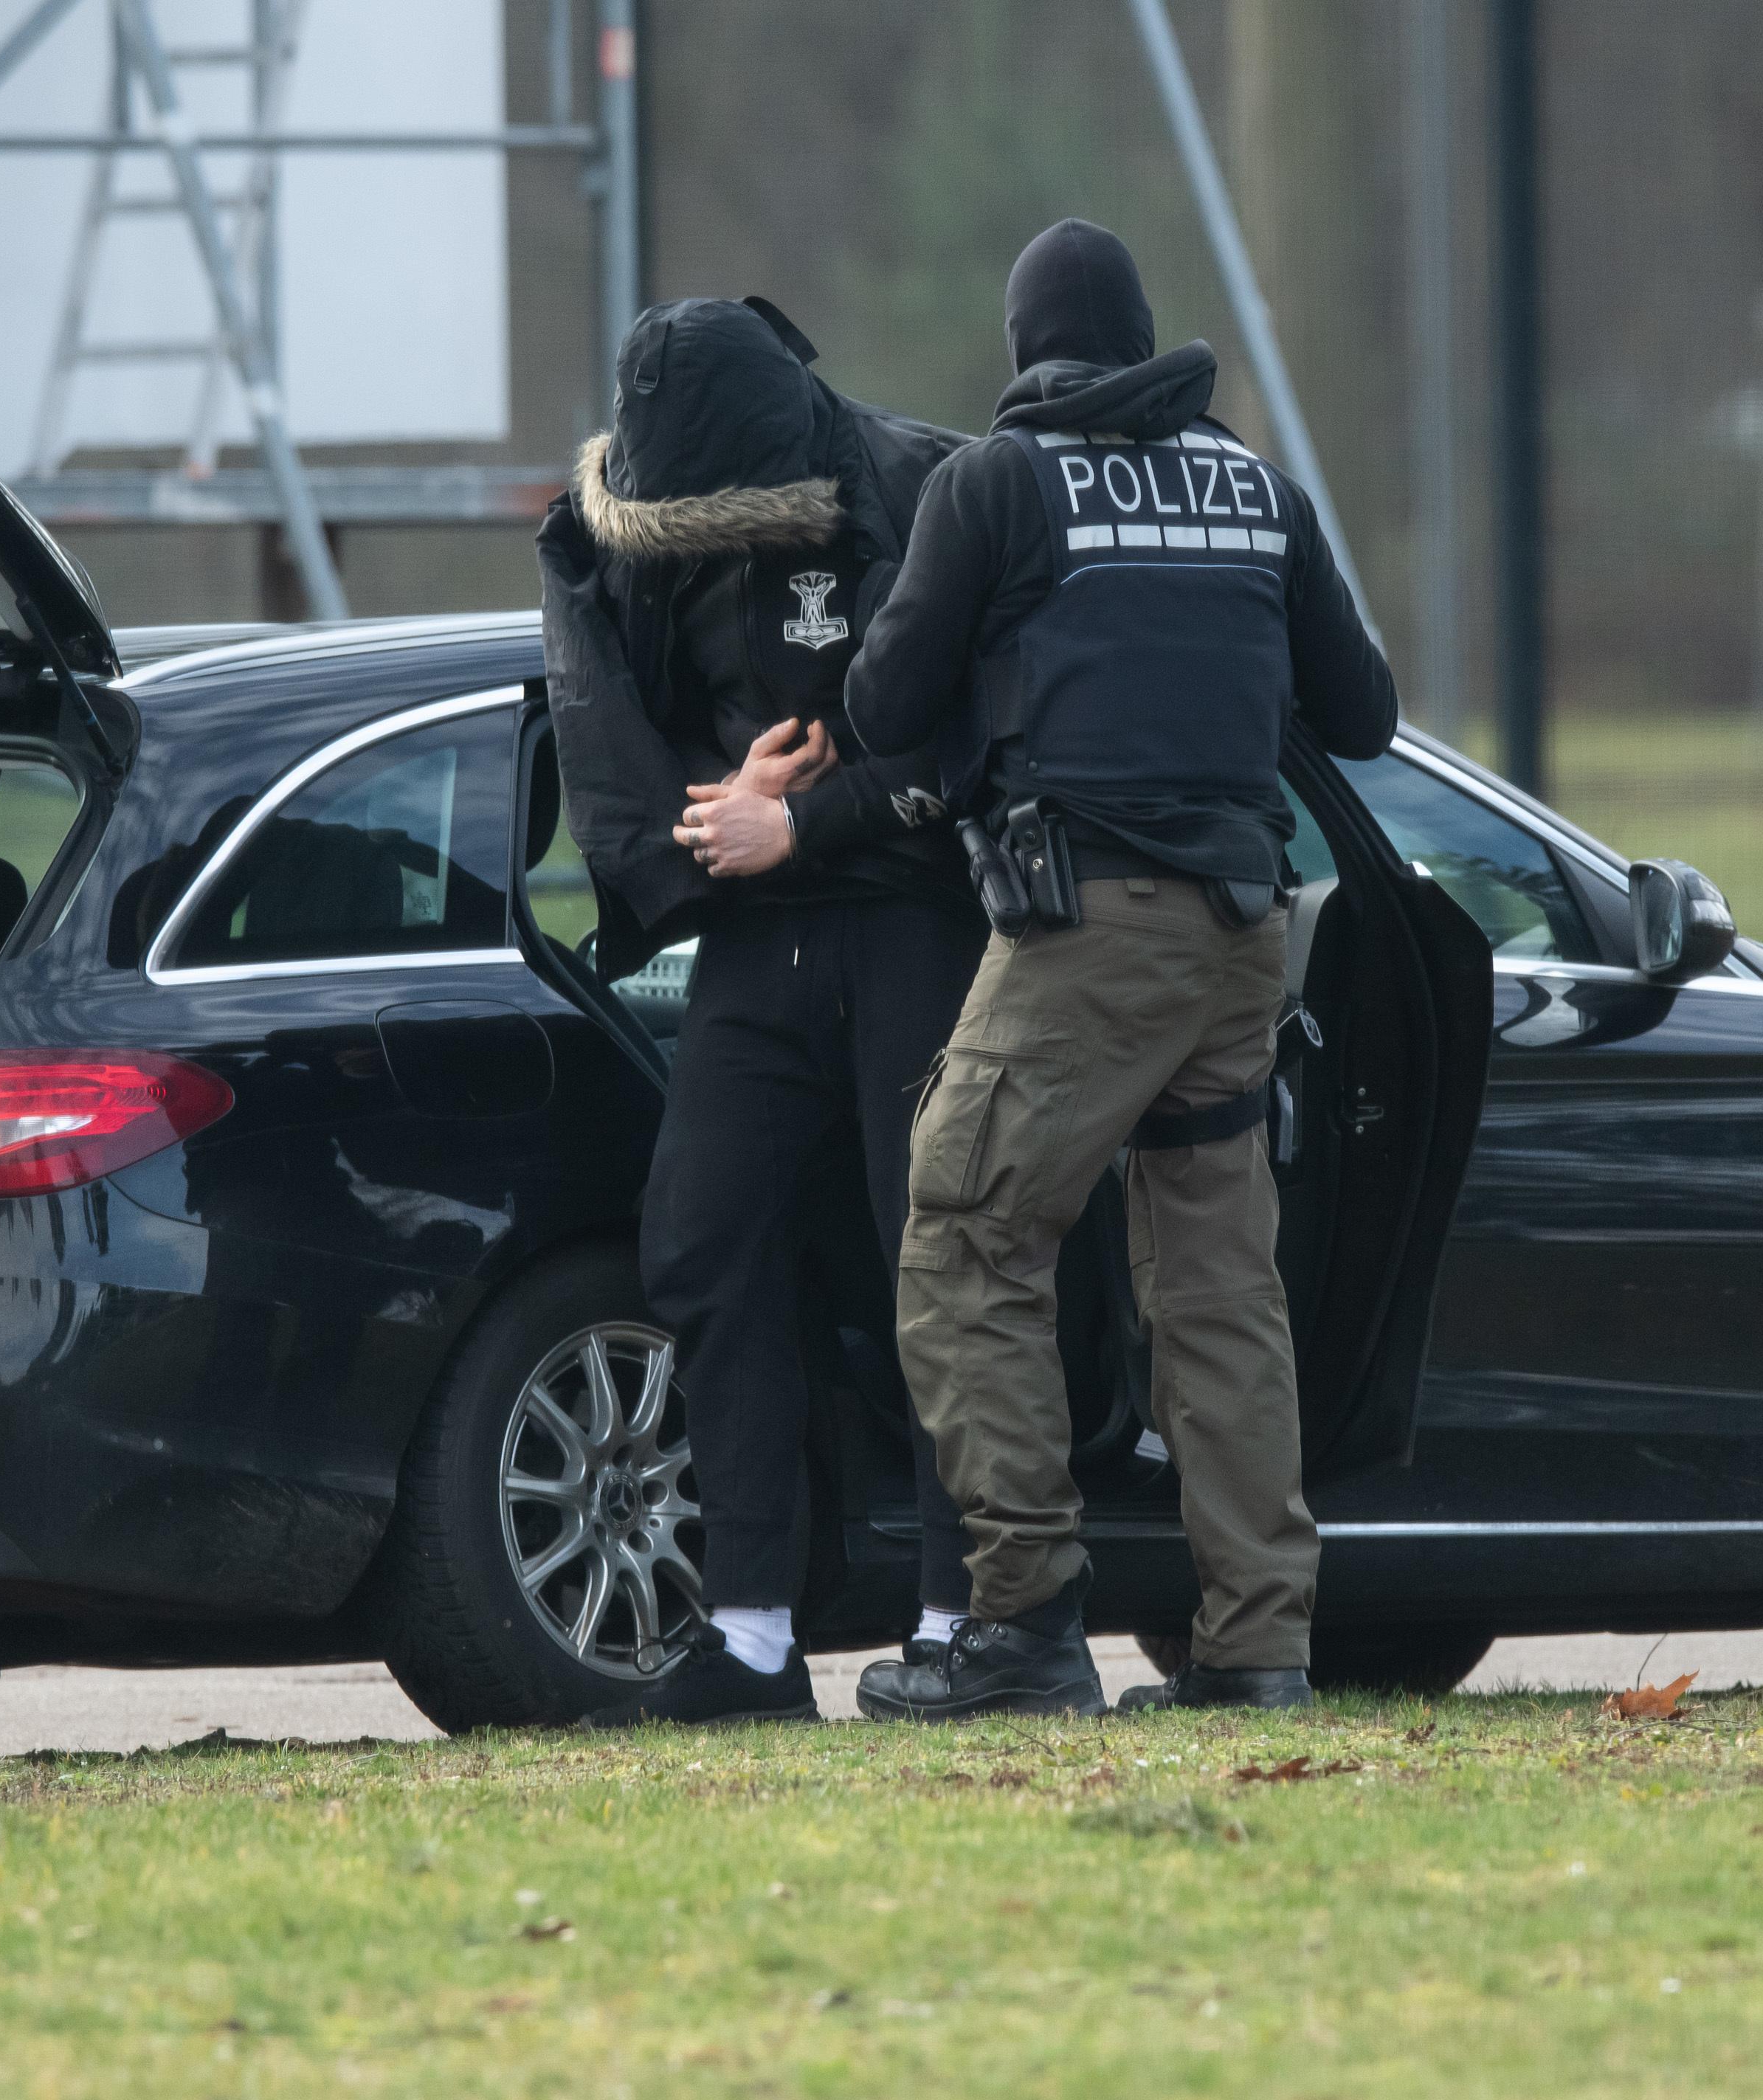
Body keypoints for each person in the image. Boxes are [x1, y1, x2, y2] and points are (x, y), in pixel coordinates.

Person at [841, 219, 1399, 1719]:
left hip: (1087, 930)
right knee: (1220, 1290)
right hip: (1242, 942)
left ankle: (1019, 1622)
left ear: (1025, 351)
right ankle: (1258, 1646)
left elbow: (883, 696)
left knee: (962, 1240)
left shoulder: (995, 484)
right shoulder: (1254, 489)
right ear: (1145, 337)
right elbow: (1364, 716)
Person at [536, 295, 988, 1721]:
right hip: (749, 933)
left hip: (913, 919)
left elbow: (981, 740)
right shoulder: (626, 530)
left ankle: (961, 1617)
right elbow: (617, 742)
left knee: (938, 1254)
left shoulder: (928, 494)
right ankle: (748, 1637)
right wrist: (717, 826)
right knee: (704, 1233)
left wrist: (816, 815)